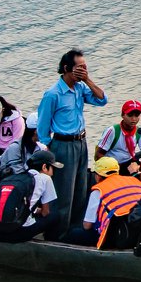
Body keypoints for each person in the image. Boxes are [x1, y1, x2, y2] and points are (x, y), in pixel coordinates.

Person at [35, 49, 106, 240]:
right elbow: (42, 128)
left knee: (81, 190)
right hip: (62, 145)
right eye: (79, 68)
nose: (83, 70)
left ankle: (75, 231)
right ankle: (58, 234)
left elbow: (102, 100)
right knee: (64, 192)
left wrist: (88, 80)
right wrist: (50, 149)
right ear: (66, 68)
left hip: (81, 142)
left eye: (85, 67)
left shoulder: (80, 89)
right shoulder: (53, 94)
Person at [0, 146, 60, 243]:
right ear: (44, 167)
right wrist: (39, 212)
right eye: (53, 168)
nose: (53, 173)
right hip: (18, 233)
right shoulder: (45, 178)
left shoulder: (19, 177)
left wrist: (35, 210)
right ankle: (52, 242)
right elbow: (46, 212)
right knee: (55, 215)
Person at [74, 155, 141, 249]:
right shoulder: (134, 180)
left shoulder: (98, 191)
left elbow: (87, 225)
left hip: (117, 236)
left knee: (73, 233)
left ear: (98, 176)